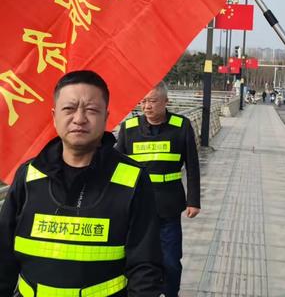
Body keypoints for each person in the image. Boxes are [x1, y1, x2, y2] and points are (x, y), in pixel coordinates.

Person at [0, 70, 163, 296]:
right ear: (54, 115)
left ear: (106, 117)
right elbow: (4, 256)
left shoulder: (132, 179)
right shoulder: (29, 175)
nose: (79, 118)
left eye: (91, 110)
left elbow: (146, 267)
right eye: (69, 108)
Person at [116, 82, 200, 297]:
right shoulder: (129, 128)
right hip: (137, 207)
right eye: (143, 101)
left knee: (171, 261)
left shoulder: (181, 126)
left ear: (166, 102)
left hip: (168, 206)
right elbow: (116, 166)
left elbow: (192, 164)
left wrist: (193, 201)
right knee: (135, 258)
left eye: (152, 101)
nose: (146, 107)